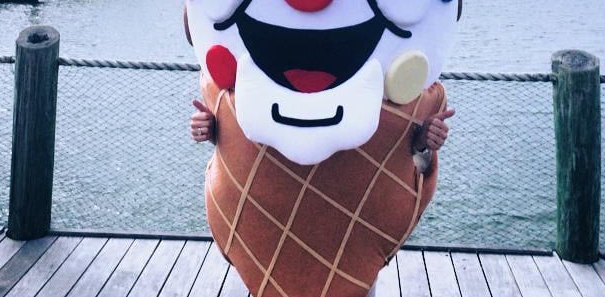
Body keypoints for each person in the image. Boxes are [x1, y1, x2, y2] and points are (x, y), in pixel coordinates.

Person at [190, 99, 455, 169]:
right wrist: (215, 130)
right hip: (276, 220)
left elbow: (413, 163)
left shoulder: (385, 87)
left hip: (354, 225)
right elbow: (242, 148)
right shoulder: (251, 85)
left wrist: (423, 140)